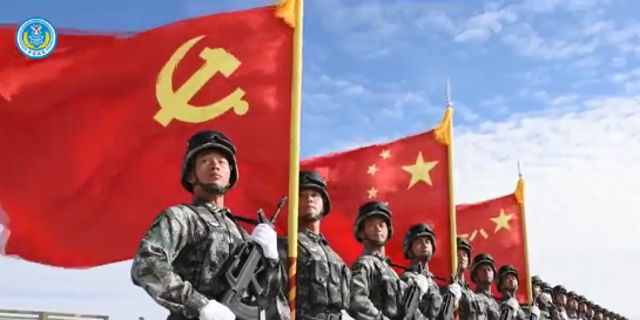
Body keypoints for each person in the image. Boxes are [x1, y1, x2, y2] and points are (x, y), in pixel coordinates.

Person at [131, 130, 282, 320]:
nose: (215, 166)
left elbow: (266, 300)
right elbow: (146, 264)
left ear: (231, 174)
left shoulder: (242, 235)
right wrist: (199, 305)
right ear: (190, 176)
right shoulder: (181, 217)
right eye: (205, 161)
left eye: (222, 162)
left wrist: (271, 260)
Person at [277, 170, 352, 320]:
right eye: (301, 195)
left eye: (314, 195)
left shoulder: (336, 258)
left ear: (324, 204)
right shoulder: (286, 245)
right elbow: (275, 295)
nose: (308, 199)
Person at [348, 201, 430, 320]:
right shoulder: (364, 264)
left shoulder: (391, 272)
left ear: (388, 230)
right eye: (371, 225)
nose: (378, 229)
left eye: (382, 225)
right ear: (361, 232)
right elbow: (356, 301)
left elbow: (407, 310)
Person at [399, 223, 444, 320]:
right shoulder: (407, 279)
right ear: (409, 249)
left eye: (428, 241)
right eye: (419, 242)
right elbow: (407, 313)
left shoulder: (432, 282)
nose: (425, 245)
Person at [467, 253, 500, 320]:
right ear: (475, 276)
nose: (486, 271)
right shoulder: (470, 298)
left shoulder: (496, 304)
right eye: (482, 269)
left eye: (489, 269)